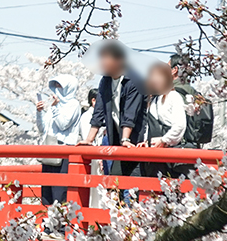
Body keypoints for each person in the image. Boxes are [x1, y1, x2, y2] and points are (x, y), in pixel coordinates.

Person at [80, 41, 146, 178]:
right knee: (115, 185)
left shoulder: (134, 79)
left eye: (105, 58)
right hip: (118, 141)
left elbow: (130, 112)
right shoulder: (106, 81)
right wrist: (89, 140)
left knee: (135, 188)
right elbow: (98, 111)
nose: (102, 62)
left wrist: (126, 139)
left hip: (137, 142)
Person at [35, 75, 83, 205]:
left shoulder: (73, 104)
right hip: (49, 149)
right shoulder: (54, 105)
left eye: (60, 85)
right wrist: (39, 112)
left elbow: (63, 124)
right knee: (46, 193)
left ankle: (60, 225)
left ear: (69, 87)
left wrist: (55, 107)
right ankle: (47, 224)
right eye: (55, 85)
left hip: (63, 152)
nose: (57, 88)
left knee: (59, 192)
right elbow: (43, 129)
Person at [140, 62, 188, 179]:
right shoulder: (153, 100)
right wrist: (146, 141)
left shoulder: (174, 96)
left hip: (169, 153)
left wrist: (163, 140)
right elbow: (149, 126)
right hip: (154, 154)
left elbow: (180, 125)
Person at [170, 52, 215, 149]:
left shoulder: (173, 92)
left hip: (178, 147)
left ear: (174, 70)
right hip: (192, 146)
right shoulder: (194, 93)